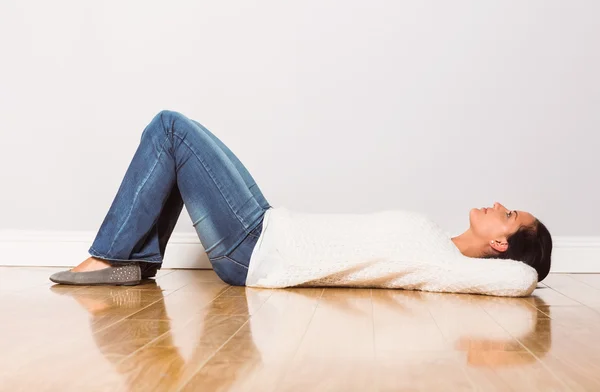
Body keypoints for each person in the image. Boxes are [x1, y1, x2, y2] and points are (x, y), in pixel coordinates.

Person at [49, 110, 552, 292]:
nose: (498, 204)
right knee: (179, 140)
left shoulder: (447, 267)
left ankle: (111, 258)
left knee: (171, 129)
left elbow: (522, 279)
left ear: (503, 245)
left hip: (257, 248)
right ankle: (133, 261)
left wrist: (528, 265)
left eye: (507, 215)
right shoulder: (438, 250)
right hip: (268, 226)